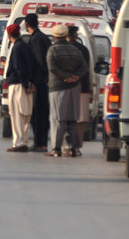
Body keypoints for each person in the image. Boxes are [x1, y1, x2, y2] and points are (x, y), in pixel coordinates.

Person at [45, 24, 89, 158]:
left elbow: (52, 68)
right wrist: (75, 76)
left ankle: (57, 148)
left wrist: (66, 77)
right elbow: (84, 67)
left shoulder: (53, 50)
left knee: (57, 119)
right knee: (72, 118)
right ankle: (73, 148)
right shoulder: (76, 50)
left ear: (54, 36)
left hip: (58, 87)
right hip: (75, 87)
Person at [5, 23, 37, 153]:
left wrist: (26, 85)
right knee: (25, 115)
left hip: (18, 85)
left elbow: (19, 68)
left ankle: (18, 143)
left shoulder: (16, 48)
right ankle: (24, 142)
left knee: (17, 115)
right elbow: (32, 67)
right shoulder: (26, 46)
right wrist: (31, 83)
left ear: (9, 35)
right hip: (26, 84)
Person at [24, 13, 52, 152]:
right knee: (41, 113)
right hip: (43, 82)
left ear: (26, 24)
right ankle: (40, 143)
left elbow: (40, 62)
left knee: (38, 114)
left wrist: (34, 81)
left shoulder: (36, 39)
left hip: (40, 83)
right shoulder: (42, 37)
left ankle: (40, 143)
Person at [65, 25, 92, 155]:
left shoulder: (62, 49)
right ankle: (76, 146)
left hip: (65, 87)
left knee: (66, 117)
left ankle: (66, 146)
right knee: (79, 120)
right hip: (82, 88)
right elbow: (88, 70)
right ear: (76, 35)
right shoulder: (84, 50)